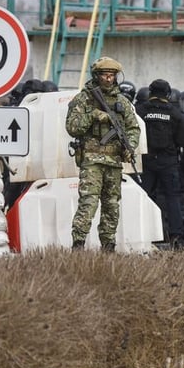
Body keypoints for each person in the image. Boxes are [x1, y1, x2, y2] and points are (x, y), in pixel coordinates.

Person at [66, 57, 141, 252]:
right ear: (97, 76)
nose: (108, 79)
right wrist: (93, 115)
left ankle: (108, 246)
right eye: (105, 75)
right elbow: (72, 127)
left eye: (112, 75)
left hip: (114, 161)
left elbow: (133, 128)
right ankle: (78, 244)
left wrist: (129, 147)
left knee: (111, 206)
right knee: (88, 202)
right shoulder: (84, 99)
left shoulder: (122, 102)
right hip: (92, 160)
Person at [137, 78, 184, 249]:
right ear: (168, 94)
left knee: (145, 198)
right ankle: (176, 238)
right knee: (173, 199)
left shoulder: (140, 111)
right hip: (169, 162)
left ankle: (145, 236)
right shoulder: (175, 113)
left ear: (150, 93)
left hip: (146, 161)